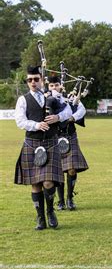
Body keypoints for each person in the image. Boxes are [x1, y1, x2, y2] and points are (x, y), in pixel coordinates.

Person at [14, 66, 72, 230]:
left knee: (48, 182)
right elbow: (20, 121)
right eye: (30, 80)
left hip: (50, 142)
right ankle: (40, 218)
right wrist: (36, 125)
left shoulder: (53, 95)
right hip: (32, 143)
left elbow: (69, 110)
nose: (33, 82)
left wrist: (58, 117)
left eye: (36, 79)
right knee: (36, 184)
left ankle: (50, 212)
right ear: (27, 82)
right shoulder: (23, 100)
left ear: (41, 80)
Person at [48, 76, 89, 210]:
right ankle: (60, 201)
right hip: (55, 138)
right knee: (58, 170)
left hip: (70, 135)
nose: (54, 88)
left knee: (71, 169)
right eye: (51, 85)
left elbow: (82, 109)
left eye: (56, 85)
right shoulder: (46, 100)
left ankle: (70, 198)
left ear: (61, 85)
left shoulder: (69, 97)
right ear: (49, 87)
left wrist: (73, 117)